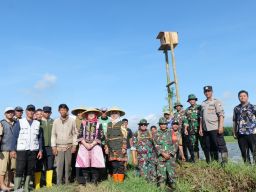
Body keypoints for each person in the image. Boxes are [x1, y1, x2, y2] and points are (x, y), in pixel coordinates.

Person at [11, 104, 43, 192]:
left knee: (30, 169)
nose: (31, 112)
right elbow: (14, 136)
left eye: (32, 110)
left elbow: (39, 138)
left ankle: (26, 188)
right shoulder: (19, 122)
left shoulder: (37, 123)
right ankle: (17, 188)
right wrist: (13, 149)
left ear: (34, 112)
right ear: (26, 111)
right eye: (29, 110)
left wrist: (40, 150)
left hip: (33, 150)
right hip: (21, 149)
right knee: (20, 169)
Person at [76, 108, 105, 185]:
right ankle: (87, 180)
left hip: (95, 145)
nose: (91, 114)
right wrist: (85, 144)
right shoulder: (83, 123)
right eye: (89, 113)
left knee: (95, 164)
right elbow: (80, 134)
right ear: (87, 115)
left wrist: (92, 144)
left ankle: (94, 181)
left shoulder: (99, 124)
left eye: (93, 113)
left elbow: (100, 135)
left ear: (95, 115)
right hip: (84, 145)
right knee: (84, 163)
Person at [199, 86, 228, 164]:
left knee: (220, 145)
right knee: (210, 146)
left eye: (209, 91)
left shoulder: (216, 101)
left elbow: (221, 114)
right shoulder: (203, 103)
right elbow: (201, 117)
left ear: (212, 92)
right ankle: (215, 161)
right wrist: (200, 128)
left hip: (215, 127)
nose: (207, 93)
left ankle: (225, 162)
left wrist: (221, 127)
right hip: (206, 129)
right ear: (204, 93)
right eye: (206, 91)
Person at [51, 104, 77, 185]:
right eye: (61, 110)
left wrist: (74, 145)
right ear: (59, 111)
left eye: (64, 110)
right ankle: (59, 183)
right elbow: (53, 134)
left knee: (68, 165)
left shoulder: (72, 120)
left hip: (69, 146)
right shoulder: (56, 121)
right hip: (58, 147)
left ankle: (67, 182)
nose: (63, 111)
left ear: (67, 111)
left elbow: (75, 133)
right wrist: (53, 146)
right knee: (59, 166)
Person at [233, 90, 256, 163]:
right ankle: (248, 169)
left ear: (247, 97)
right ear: (238, 98)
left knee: (255, 152)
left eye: (244, 96)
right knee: (244, 154)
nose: (242, 97)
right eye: (240, 96)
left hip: (252, 133)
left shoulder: (253, 107)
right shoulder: (236, 108)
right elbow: (234, 121)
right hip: (241, 134)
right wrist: (234, 132)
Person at [34, 106, 55, 189]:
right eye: (45, 112)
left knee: (49, 166)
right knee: (38, 166)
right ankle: (37, 185)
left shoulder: (54, 121)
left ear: (50, 113)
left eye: (48, 112)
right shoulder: (37, 122)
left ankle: (49, 184)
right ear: (42, 112)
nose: (46, 113)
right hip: (40, 148)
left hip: (50, 147)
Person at [105, 107, 127, 183]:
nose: (114, 115)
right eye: (112, 113)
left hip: (120, 146)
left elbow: (124, 136)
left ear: (119, 115)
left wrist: (124, 147)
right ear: (110, 115)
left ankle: (120, 181)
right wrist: (106, 147)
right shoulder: (109, 124)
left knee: (120, 164)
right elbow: (107, 136)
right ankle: (115, 180)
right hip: (111, 147)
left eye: (116, 113)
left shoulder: (122, 124)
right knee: (114, 164)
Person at [153, 117, 176, 190]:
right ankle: (162, 189)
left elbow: (175, 144)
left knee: (172, 174)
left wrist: (170, 153)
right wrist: (163, 154)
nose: (163, 125)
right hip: (161, 158)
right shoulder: (156, 134)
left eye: (165, 124)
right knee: (161, 175)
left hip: (170, 157)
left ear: (167, 124)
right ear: (159, 125)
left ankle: (174, 188)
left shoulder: (171, 132)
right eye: (162, 124)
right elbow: (156, 145)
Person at [184, 94, 205, 162]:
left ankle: (207, 159)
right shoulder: (187, 110)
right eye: (190, 100)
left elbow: (203, 117)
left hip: (200, 129)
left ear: (195, 100)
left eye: (193, 99)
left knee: (203, 144)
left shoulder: (200, 107)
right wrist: (185, 129)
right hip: (191, 130)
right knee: (194, 145)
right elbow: (186, 120)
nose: (192, 101)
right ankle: (196, 159)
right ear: (189, 101)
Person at [0, 107, 17, 191]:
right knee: (2, 169)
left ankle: (8, 183)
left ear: (14, 113)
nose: (10, 113)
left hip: (14, 149)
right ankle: (2, 185)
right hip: (4, 149)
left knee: (12, 168)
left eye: (11, 112)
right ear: (5, 114)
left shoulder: (17, 123)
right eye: (8, 112)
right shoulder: (1, 123)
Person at [71, 106, 86, 182]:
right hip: (75, 144)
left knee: (83, 160)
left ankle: (82, 176)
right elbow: (72, 132)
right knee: (75, 160)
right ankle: (75, 176)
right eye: (79, 112)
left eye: (82, 112)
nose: (80, 114)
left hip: (84, 144)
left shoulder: (86, 121)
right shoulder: (73, 121)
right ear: (76, 114)